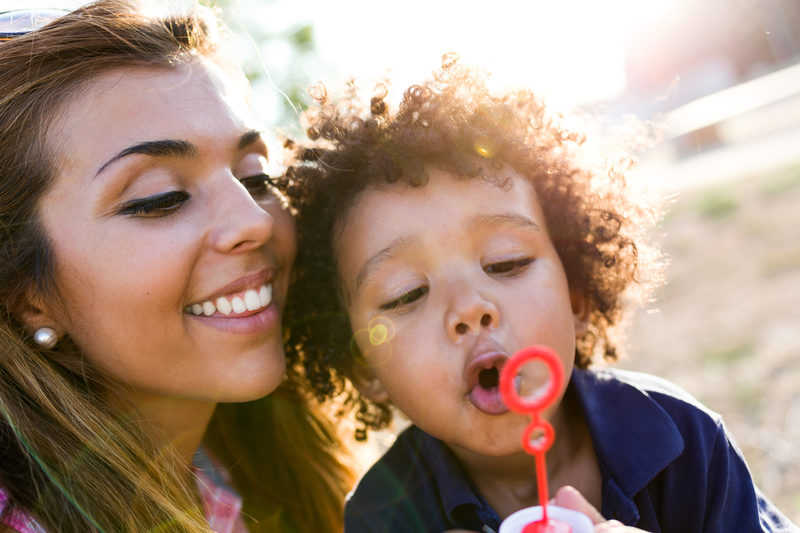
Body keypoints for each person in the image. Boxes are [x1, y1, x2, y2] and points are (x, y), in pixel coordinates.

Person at [281, 57, 796, 532]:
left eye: (506, 263)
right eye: (406, 294)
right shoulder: (383, 516)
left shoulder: (679, 438)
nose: (469, 309)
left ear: (575, 295)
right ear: (364, 365)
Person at [0, 2, 352, 532]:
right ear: (28, 295)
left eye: (256, 177)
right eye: (160, 198)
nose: (253, 220)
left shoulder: (275, 483)